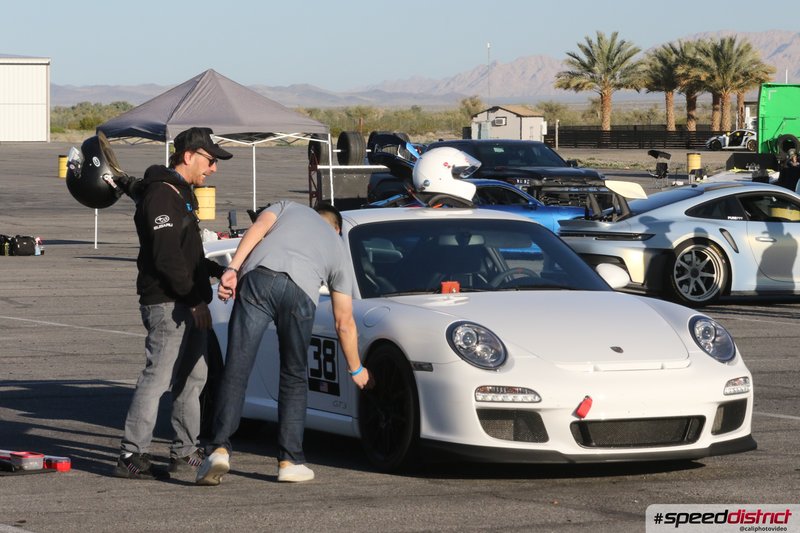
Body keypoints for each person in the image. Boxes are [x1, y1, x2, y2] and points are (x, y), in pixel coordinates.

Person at [195, 201, 370, 486]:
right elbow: (344, 321)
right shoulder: (339, 250)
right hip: (300, 293)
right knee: (294, 375)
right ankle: (290, 460)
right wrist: (356, 369)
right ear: (337, 228)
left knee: (237, 367)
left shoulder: (289, 207)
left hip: (258, 278)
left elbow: (259, 227)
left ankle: (219, 448)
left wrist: (234, 268)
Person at [114, 127, 233, 479]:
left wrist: (217, 269)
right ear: (189, 155)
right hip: (169, 303)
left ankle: (184, 451)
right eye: (210, 160)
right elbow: (167, 258)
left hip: (188, 299)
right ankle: (131, 453)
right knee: (158, 377)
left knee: (195, 376)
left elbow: (187, 253)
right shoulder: (162, 196)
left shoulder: (179, 194)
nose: (213, 168)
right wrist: (195, 300)